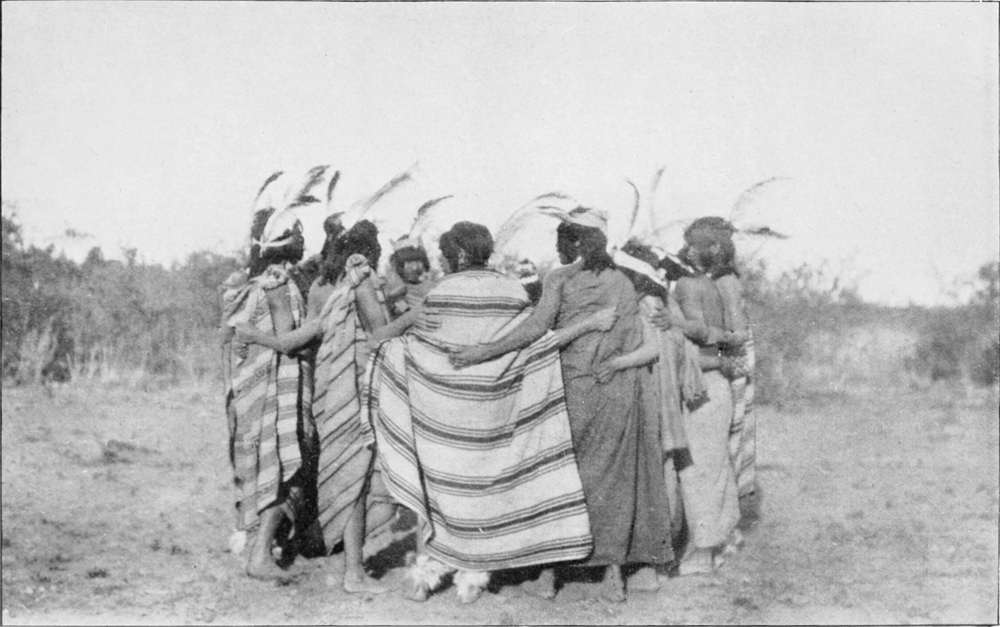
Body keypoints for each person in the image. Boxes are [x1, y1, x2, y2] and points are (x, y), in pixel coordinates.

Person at [366, 221, 617, 603]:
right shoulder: (512, 290)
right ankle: (472, 578)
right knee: (485, 494)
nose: (442, 262)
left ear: (459, 255)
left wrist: (409, 328)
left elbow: (388, 342)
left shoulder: (439, 292)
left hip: (445, 415)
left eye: (445, 255)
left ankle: (424, 578)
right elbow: (531, 344)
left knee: (437, 490)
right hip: (497, 411)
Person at [450, 210, 673, 602]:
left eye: (560, 243)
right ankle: (613, 576)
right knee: (613, 483)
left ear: (574, 243)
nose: (556, 251)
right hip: (617, 390)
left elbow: (536, 329)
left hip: (571, 388)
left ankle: (550, 576)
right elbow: (636, 341)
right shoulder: (623, 282)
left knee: (561, 479)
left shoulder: (559, 278)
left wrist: (483, 352)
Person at [235, 220, 404, 593]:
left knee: (346, 476)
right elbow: (379, 333)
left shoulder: (324, 292)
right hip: (357, 390)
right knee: (359, 481)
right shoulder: (359, 284)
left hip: (327, 393)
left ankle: (346, 564)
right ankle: (354, 572)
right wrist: (417, 316)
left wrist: (255, 335)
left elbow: (291, 341)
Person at [220, 209, 314, 580]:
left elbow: (228, 339)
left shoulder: (246, 284)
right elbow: (287, 340)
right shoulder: (279, 284)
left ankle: (258, 542)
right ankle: (260, 555)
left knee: (259, 466)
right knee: (281, 467)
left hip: (248, 392)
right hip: (279, 389)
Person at [645, 219, 743, 575]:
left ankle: (703, 553)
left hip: (703, 388)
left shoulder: (689, 288)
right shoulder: (709, 284)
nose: (686, 251)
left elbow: (703, 344)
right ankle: (721, 540)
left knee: (697, 471)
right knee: (714, 468)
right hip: (713, 386)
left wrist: (675, 326)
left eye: (692, 245)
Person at [384, 238, 434, 318]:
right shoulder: (399, 290)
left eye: (417, 262)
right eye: (409, 263)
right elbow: (402, 311)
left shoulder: (431, 286)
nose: (414, 267)